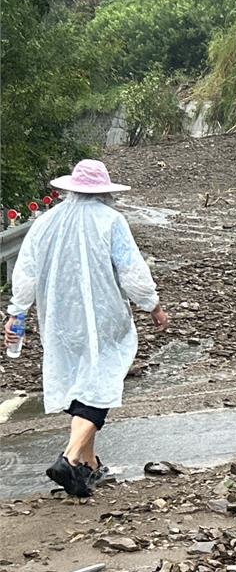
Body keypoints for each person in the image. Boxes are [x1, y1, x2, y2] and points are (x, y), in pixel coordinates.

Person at [3, 159, 169, 498]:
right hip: (103, 316)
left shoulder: (46, 222)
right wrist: (152, 305)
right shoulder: (111, 221)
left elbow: (26, 272)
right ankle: (69, 457)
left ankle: (88, 467)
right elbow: (131, 270)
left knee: (81, 385)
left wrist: (16, 314)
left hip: (59, 321)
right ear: (104, 192)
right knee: (101, 383)